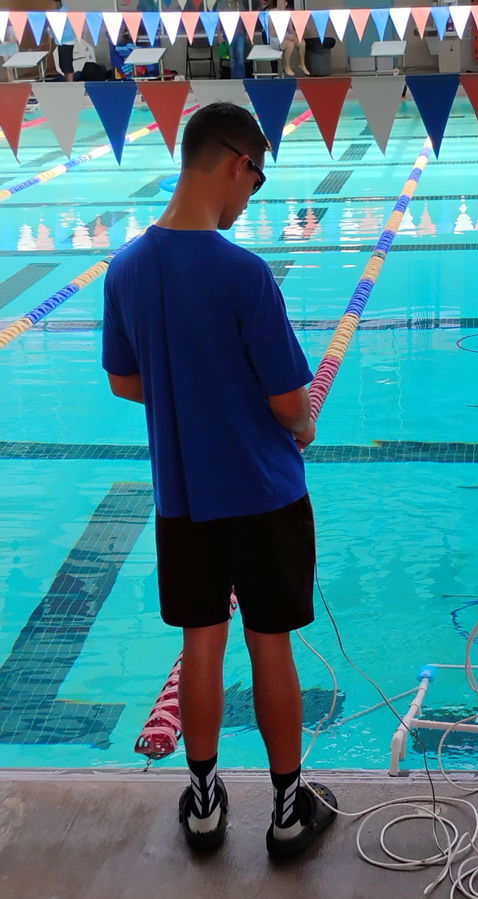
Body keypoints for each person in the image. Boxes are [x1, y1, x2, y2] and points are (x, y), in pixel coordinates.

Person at [101, 103, 337, 860]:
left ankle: (203, 809)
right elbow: (288, 400)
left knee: (200, 644)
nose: (250, 197)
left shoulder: (125, 268)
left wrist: (191, 395)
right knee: (271, 646)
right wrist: (301, 425)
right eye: (256, 180)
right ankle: (288, 815)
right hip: (264, 492)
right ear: (238, 161)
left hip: (184, 496)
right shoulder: (242, 273)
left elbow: (124, 381)